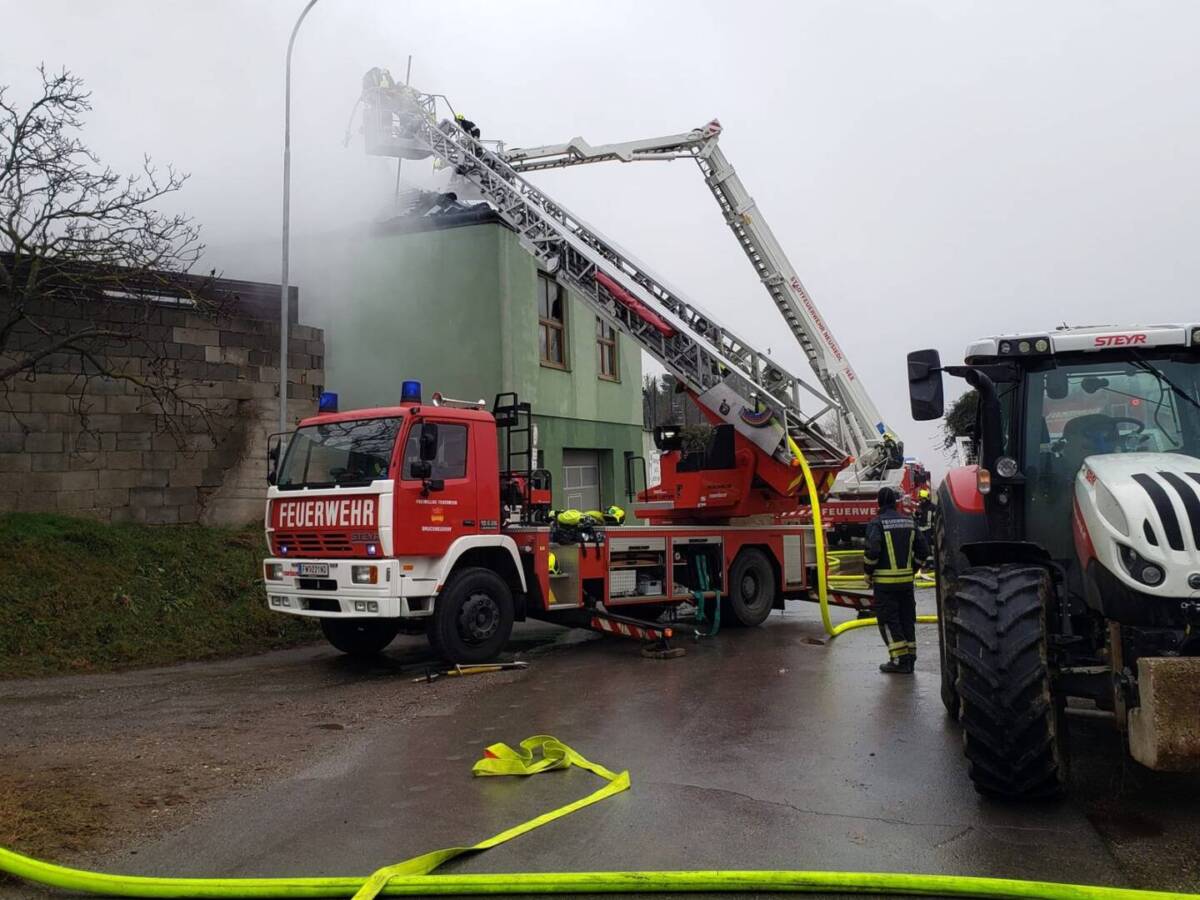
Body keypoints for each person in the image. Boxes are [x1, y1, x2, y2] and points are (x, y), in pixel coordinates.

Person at [864, 487, 930, 674]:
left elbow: (873, 551)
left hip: (884, 585)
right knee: (906, 618)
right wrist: (913, 568)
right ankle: (910, 658)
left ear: (879, 503)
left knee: (889, 620)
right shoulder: (909, 521)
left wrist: (868, 572)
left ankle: (900, 661)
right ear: (895, 502)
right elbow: (924, 550)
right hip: (906, 583)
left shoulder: (876, 523)